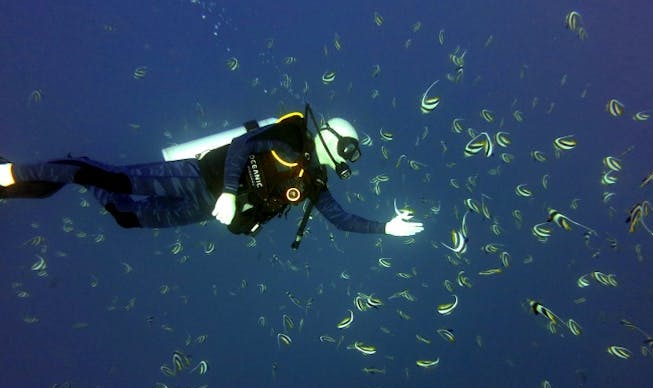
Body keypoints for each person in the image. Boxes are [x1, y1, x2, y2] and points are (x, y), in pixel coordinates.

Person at [0, 104, 423, 247]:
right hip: (197, 177)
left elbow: (341, 219)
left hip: (204, 209)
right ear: (329, 135)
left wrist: (385, 227)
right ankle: (13, 173)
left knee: (125, 216)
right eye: (347, 145)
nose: (348, 156)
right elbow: (243, 147)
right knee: (115, 180)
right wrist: (227, 192)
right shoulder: (291, 137)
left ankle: (78, 171)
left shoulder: (314, 182)